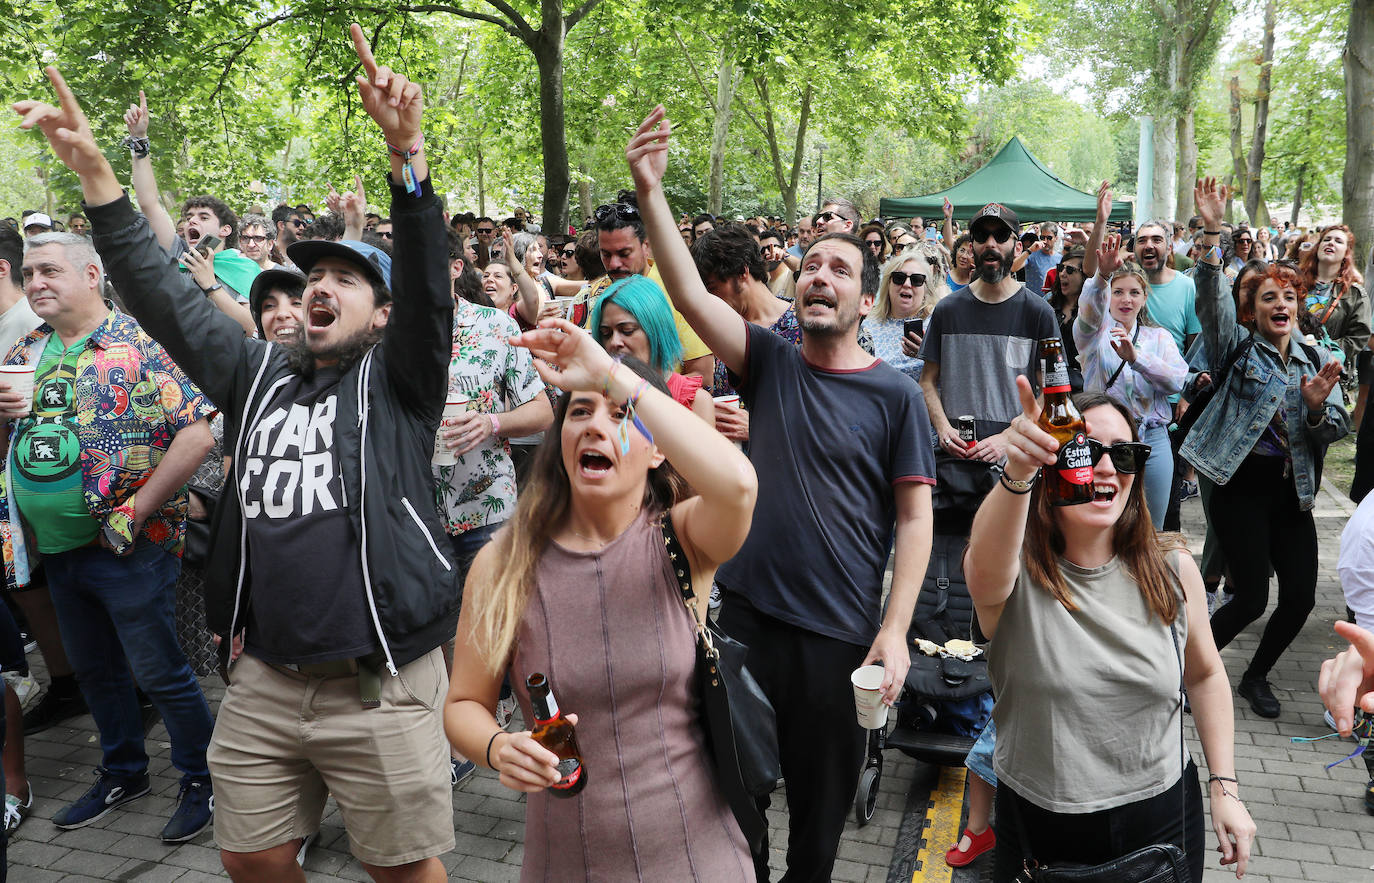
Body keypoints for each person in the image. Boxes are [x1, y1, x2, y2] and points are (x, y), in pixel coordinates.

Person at [15, 28, 463, 879]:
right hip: (262, 679)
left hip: (381, 683)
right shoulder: (254, 372)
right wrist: (97, 177)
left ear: (381, 314)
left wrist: (407, 156)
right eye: (310, 278)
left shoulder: (402, 385)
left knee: (404, 869)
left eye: (345, 279)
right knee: (251, 859)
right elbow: (163, 295)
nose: (318, 288)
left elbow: (432, 288)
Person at [627, 105, 935, 882]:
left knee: (817, 834)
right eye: (812, 266)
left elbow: (915, 515)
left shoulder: (895, 398)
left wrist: (894, 631)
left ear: (867, 302)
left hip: (838, 641)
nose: (821, 276)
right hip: (745, 627)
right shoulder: (770, 359)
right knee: (734, 811)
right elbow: (695, 297)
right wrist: (650, 191)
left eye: (841, 270)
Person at [445, 325, 758, 880]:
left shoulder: (684, 539)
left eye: (620, 415)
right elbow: (464, 705)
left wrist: (613, 373)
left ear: (659, 447)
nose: (595, 425)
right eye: (579, 411)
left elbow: (738, 485)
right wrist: (497, 748)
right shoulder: (503, 562)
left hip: (696, 855)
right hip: (567, 860)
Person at [966, 379, 1256, 881]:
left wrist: (1224, 787)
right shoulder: (1016, 574)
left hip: (1161, 816)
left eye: (1123, 453)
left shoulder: (1171, 566)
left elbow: (1206, 676)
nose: (1105, 466)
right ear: (1049, 460)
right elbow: (984, 567)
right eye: (1084, 449)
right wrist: (1017, 470)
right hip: (1041, 824)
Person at [2, 232, 217, 842]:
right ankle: (124, 770)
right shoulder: (26, 348)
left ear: (91, 274)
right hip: (57, 550)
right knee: (95, 670)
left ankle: (200, 778)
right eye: (28, 272)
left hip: (131, 547)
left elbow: (196, 436)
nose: (36, 282)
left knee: (159, 671)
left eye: (49, 270)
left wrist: (133, 512)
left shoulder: (135, 344)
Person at [1181, 178, 1348, 720]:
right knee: (1250, 598)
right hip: (1239, 489)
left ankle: (1255, 676)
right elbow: (1209, 297)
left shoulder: (1318, 356)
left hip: (1293, 494)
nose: (1280, 304)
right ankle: (1182, 674)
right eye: (1268, 298)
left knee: (1299, 597)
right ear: (1252, 311)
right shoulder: (1236, 344)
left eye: (1289, 297)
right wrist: (1212, 229)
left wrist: (1319, 408)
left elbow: (1338, 426)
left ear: (1298, 308)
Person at [1075, 230, 1188, 529]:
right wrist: (1101, 276)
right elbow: (1088, 310)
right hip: (1104, 442)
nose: (1126, 299)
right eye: (1118, 291)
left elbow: (1177, 381)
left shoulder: (1159, 337)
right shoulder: (1093, 337)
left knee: (1152, 527)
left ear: (1144, 297)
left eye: (1134, 292)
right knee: (1105, 525)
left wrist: (1136, 359)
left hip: (1152, 439)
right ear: (1108, 296)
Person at [591, 275, 714, 421]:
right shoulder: (595, 396)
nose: (614, 342)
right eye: (606, 334)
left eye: (627, 330)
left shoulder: (694, 402)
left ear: (657, 330)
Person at [868, 250, 935, 382]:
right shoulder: (867, 325)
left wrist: (929, 356)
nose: (907, 284)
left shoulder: (938, 324)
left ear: (926, 289)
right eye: (899, 278)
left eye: (916, 280)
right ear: (888, 284)